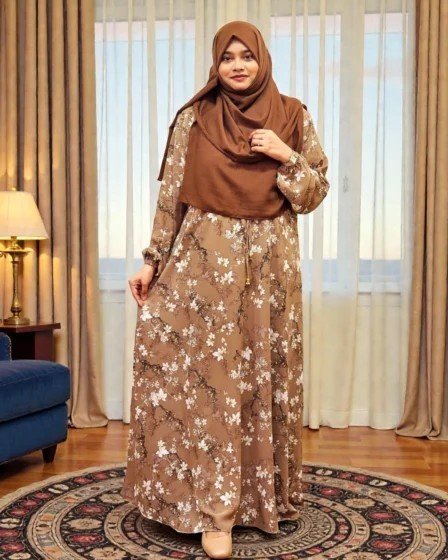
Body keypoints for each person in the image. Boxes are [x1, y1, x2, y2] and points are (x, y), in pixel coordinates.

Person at [122, 19, 330, 559]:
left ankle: (258, 501)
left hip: (269, 273)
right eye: (227, 57)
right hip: (203, 267)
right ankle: (211, 511)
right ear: (215, 64)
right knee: (208, 382)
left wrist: (285, 154)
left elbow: (313, 193)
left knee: (259, 378)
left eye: (247, 56)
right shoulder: (194, 118)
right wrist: (152, 261)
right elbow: (172, 197)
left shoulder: (294, 116)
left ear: (263, 60)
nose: (238, 66)